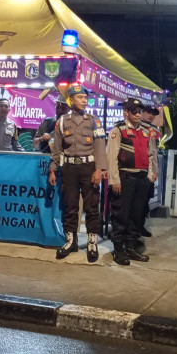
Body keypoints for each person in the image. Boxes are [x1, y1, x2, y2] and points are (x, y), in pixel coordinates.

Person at [48, 85, 107, 263]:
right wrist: (53, 169)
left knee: (91, 207)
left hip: (89, 168)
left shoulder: (94, 121)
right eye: (80, 97)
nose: (83, 101)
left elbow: (100, 147)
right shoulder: (62, 121)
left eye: (85, 98)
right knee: (70, 206)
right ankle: (70, 241)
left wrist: (99, 170)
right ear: (71, 100)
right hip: (69, 168)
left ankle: (91, 243)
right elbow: (57, 149)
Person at [107, 98, 158, 265]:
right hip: (125, 178)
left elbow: (151, 154)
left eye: (139, 111)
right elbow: (112, 157)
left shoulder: (146, 131)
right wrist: (115, 180)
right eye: (134, 111)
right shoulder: (118, 130)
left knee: (136, 215)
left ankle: (131, 246)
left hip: (141, 179)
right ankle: (119, 249)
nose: (138, 114)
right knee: (121, 215)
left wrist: (150, 175)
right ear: (126, 112)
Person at [138, 105, 161, 239]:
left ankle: (140, 226)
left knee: (145, 200)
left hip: (149, 169)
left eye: (153, 113)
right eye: (148, 112)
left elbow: (155, 152)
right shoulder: (136, 128)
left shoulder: (155, 131)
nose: (150, 115)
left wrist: (154, 170)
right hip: (137, 168)